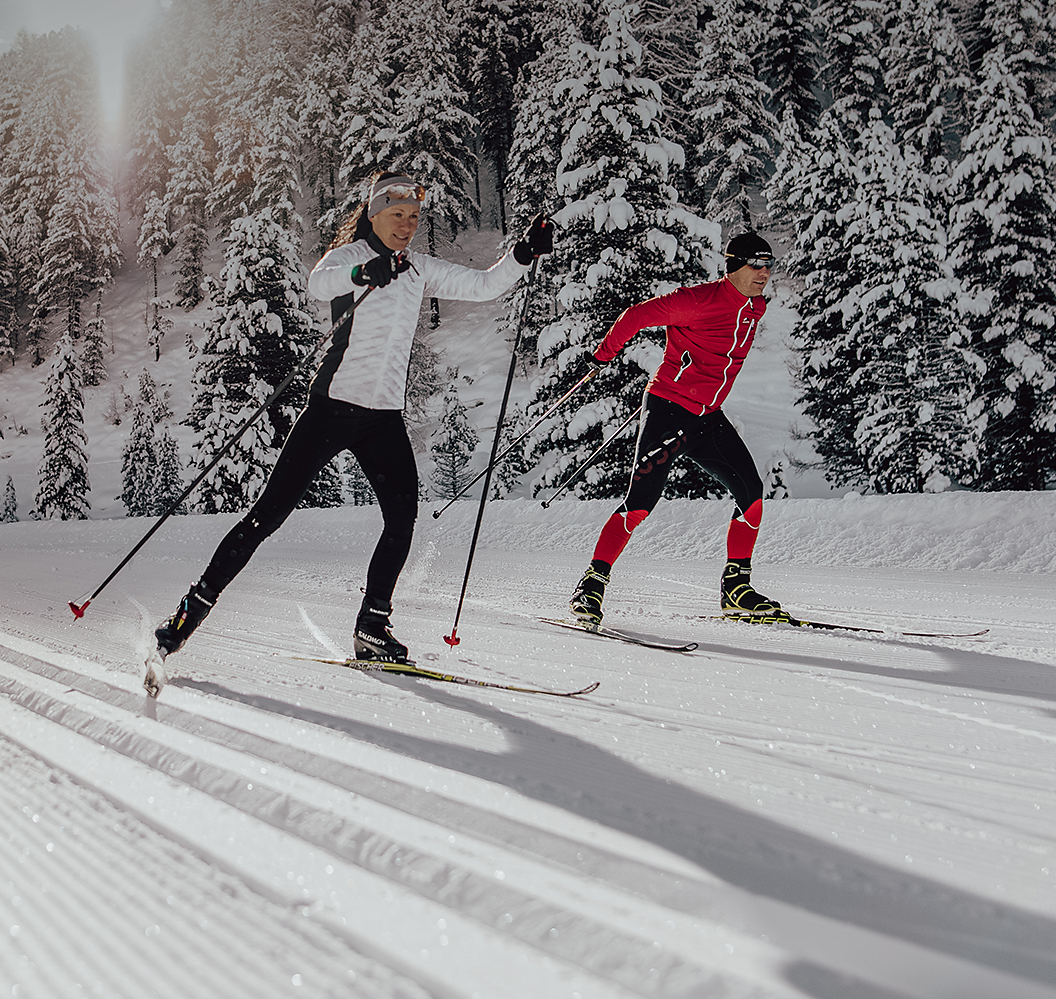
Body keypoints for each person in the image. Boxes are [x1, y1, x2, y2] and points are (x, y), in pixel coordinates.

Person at [154, 169, 557, 663]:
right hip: (331, 410)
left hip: (382, 417)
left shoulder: (418, 268)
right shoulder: (350, 257)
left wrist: (522, 253)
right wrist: (362, 274)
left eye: (413, 216)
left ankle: (372, 626)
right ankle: (190, 610)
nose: (407, 224)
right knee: (268, 516)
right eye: (396, 215)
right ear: (374, 213)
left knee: (402, 516)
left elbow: (483, 285)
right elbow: (318, 283)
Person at [567, 231, 784, 627]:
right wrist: (601, 357)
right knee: (640, 504)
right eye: (756, 264)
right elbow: (635, 316)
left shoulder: (755, 307)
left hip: (707, 417)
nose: (764, 273)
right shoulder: (696, 301)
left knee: (751, 493)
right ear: (733, 265)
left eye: (769, 265)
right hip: (670, 410)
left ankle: (737, 589)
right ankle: (591, 585)